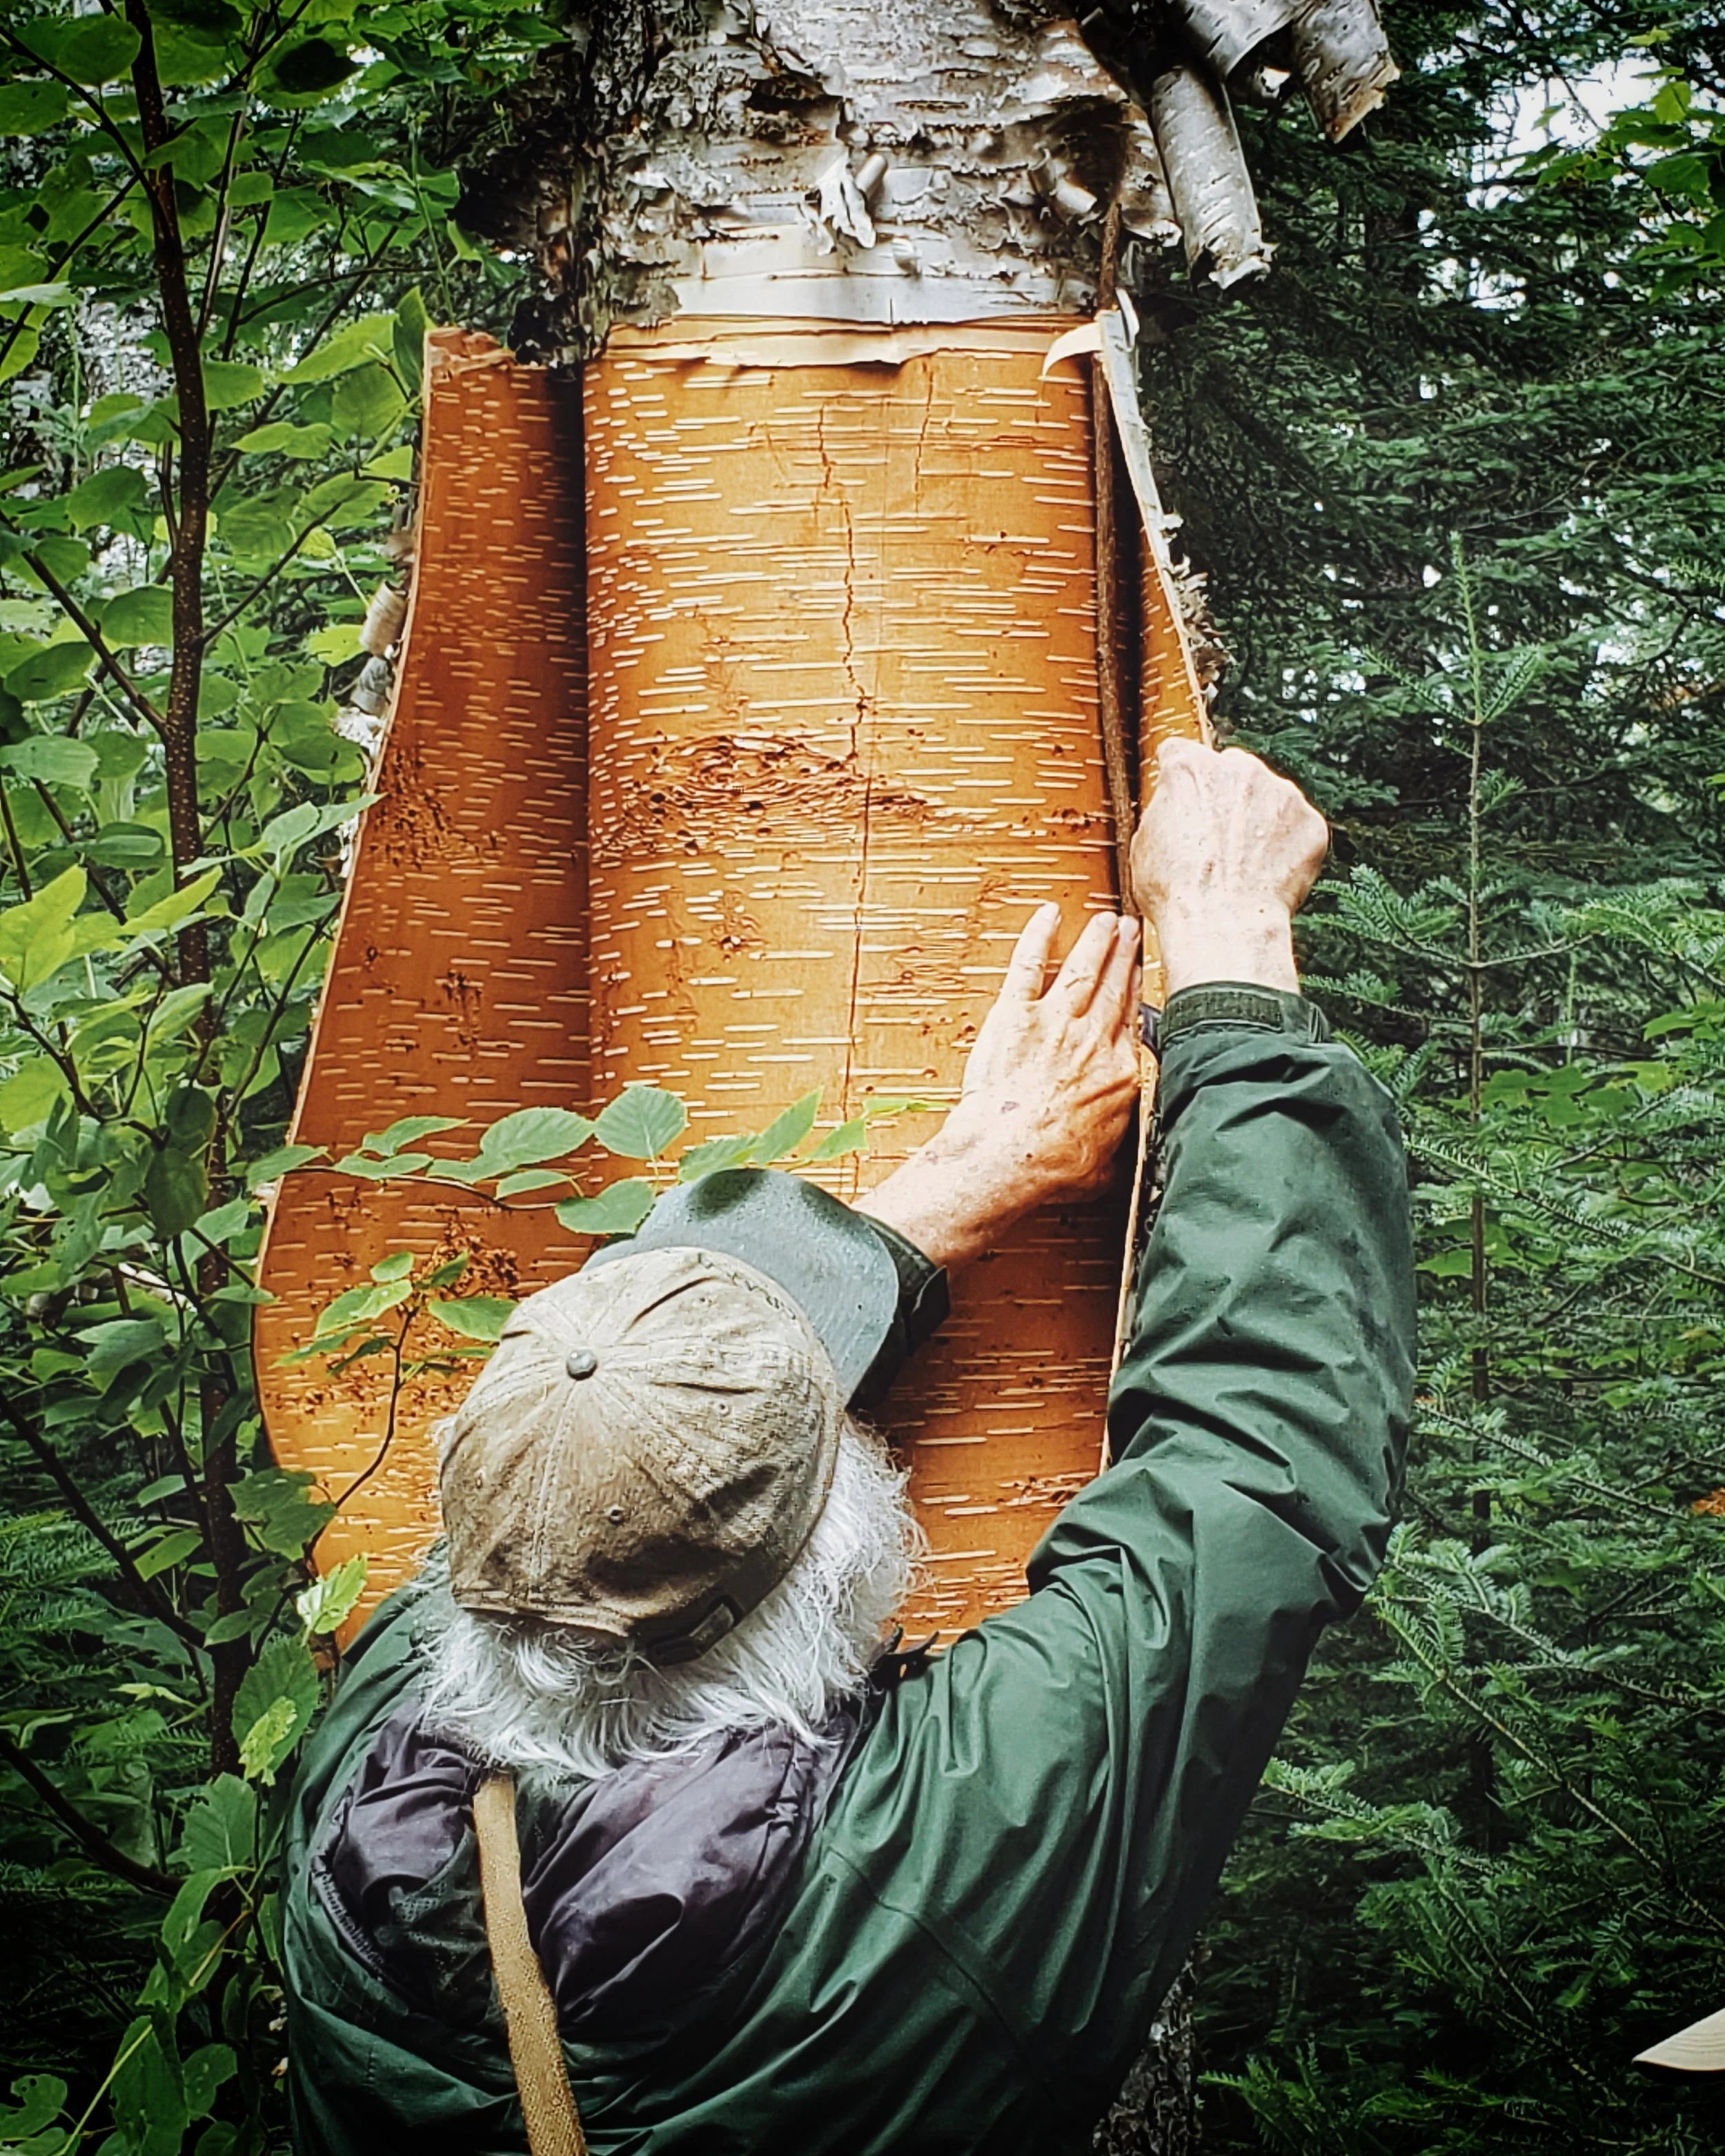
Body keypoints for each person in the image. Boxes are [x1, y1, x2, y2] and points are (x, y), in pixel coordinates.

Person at [283, 739, 1415, 2155]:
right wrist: (1231, 947)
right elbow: (1244, 1467)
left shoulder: (361, 1764)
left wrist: (960, 1180)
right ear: (838, 1551)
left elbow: (606, 1421)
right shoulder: (934, 1853)